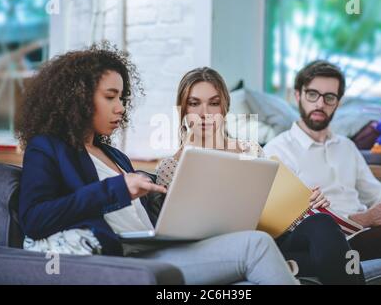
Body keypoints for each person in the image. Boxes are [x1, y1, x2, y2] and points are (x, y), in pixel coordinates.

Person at [15, 42, 297, 285]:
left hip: (152, 248)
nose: (121, 107)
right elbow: (35, 219)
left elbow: (146, 221)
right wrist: (118, 188)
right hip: (124, 259)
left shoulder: (116, 157)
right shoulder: (47, 148)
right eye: (110, 97)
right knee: (256, 245)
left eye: (122, 98)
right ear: (78, 98)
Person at [156, 66, 364, 284]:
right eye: (194, 103)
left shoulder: (249, 149)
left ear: (224, 107)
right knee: (329, 257)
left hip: (273, 236)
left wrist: (305, 202)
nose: (205, 113)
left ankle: (294, 263)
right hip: (228, 248)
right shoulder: (171, 167)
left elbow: (275, 200)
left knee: (322, 223)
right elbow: (174, 232)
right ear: (182, 109)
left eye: (214, 103)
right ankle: (295, 263)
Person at [263, 60, 381, 261]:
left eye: (329, 97)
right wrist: (365, 219)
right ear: (298, 95)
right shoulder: (277, 151)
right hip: (339, 239)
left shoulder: (346, 146)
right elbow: (291, 223)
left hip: (368, 227)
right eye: (312, 94)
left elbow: (377, 194)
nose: (320, 104)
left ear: (338, 102)